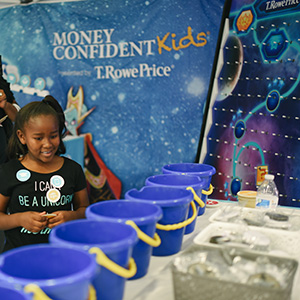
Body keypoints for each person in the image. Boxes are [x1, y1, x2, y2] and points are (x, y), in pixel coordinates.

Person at [0, 95, 89, 252]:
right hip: (19, 257)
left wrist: (71, 216)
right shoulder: (8, 172)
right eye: (38, 138)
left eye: (53, 136)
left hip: (63, 252)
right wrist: (20, 219)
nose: (47, 144)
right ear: (22, 137)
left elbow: (84, 210)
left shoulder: (73, 170)